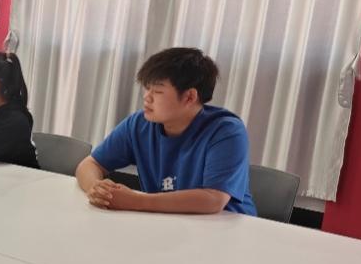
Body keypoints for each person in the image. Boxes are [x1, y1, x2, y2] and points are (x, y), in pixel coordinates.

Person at [76, 47, 257, 215]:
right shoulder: (139, 124)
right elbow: (90, 164)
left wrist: (136, 201)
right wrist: (97, 188)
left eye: (157, 91)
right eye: (147, 88)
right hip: (167, 222)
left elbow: (213, 199)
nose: (146, 97)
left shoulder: (226, 131)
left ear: (189, 97)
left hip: (227, 228)